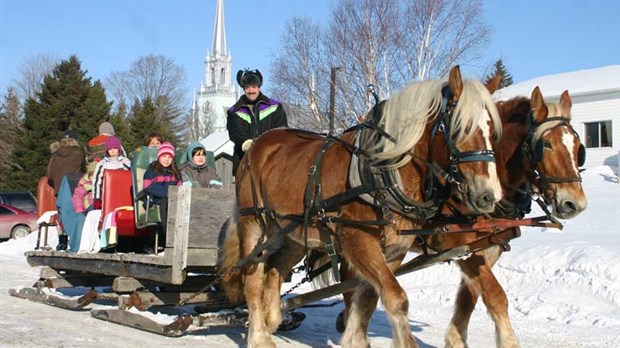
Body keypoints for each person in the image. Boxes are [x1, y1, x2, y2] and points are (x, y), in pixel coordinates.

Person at [226, 69, 288, 176]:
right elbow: (237, 133)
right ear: (243, 89)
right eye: (247, 88)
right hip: (245, 162)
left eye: (254, 87)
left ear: (259, 87)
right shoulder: (234, 111)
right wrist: (248, 145)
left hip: (273, 162)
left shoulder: (274, 107)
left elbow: (282, 132)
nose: (251, 91)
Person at [142, 142, 182, 252]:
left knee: (178, 205)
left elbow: (180, 186)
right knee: (166, 203)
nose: (166, 159)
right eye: (164, 156)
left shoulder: (175, 172)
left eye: (169, 157)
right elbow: (148, 186)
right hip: (155, 200)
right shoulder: (152, 170)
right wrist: (168, 193)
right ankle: (169, 240)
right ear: (159, 156)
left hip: (172, 199)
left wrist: (175, 194)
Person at [92, 136, 131, 209]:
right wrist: (97, 199)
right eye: (110, 149)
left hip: (123, 195)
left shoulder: (125, 162)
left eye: (115, 148)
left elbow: (132, 177)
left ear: (119, 149)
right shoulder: (102, 164)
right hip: (107, 196)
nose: (113, 151)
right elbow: (96, 182)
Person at [46, 130, 85, 195]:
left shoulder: (55, 154)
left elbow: (49, 174)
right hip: (74, 189)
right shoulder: (78, 153)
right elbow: (83, 170)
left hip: (58, 191)